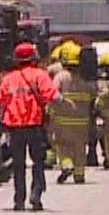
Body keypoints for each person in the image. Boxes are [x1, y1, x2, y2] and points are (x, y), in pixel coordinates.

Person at [0, 41, 58, 211]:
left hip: (14, 126)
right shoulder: (40, 75)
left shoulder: (8, 79)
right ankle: (36, 194)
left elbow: (0, 102)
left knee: (18, 164)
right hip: (34, 125)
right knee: (38, 161)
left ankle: (19, 199)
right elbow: (51, 95)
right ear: (34, 57)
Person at [46, 40, 92, 183]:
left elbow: (52, 94)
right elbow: (94, 94)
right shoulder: (86, 78)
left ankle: (67, 165)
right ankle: (79, 174)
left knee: (62, 145)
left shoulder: (61, 77)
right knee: (80, 148)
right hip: (82, 122)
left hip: (62, 121)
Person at [93, 44, 109, 170]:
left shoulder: (104, 84)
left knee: (108, 136)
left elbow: (101, 98)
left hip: (108, 116)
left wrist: (96, 106)